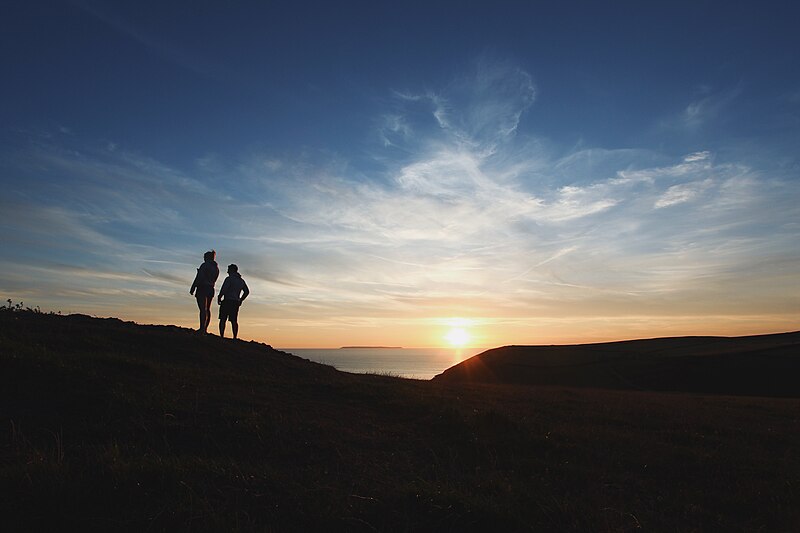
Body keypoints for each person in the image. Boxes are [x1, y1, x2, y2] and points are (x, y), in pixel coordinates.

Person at [190, 250, 219, 334]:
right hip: (211, 288)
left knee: (202, 309)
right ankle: (205, 328)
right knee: (208, 309)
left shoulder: (204, 265)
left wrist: (193, 286)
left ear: (207, 257)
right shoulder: (216, 268)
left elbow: (199, 277)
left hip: (203, 287)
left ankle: (202, 328)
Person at [217, 263, 250, 339]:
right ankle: (235, 337)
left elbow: (224, 289)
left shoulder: (229, 279)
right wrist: (241, 300)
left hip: (227, 300)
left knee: (223, 319)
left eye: (228, 269)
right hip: (235, 302)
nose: (227, 271)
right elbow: (246, 291)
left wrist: (219, 297)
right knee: (234, 320)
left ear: (232, 270)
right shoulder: (241, 281)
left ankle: (221, 336)